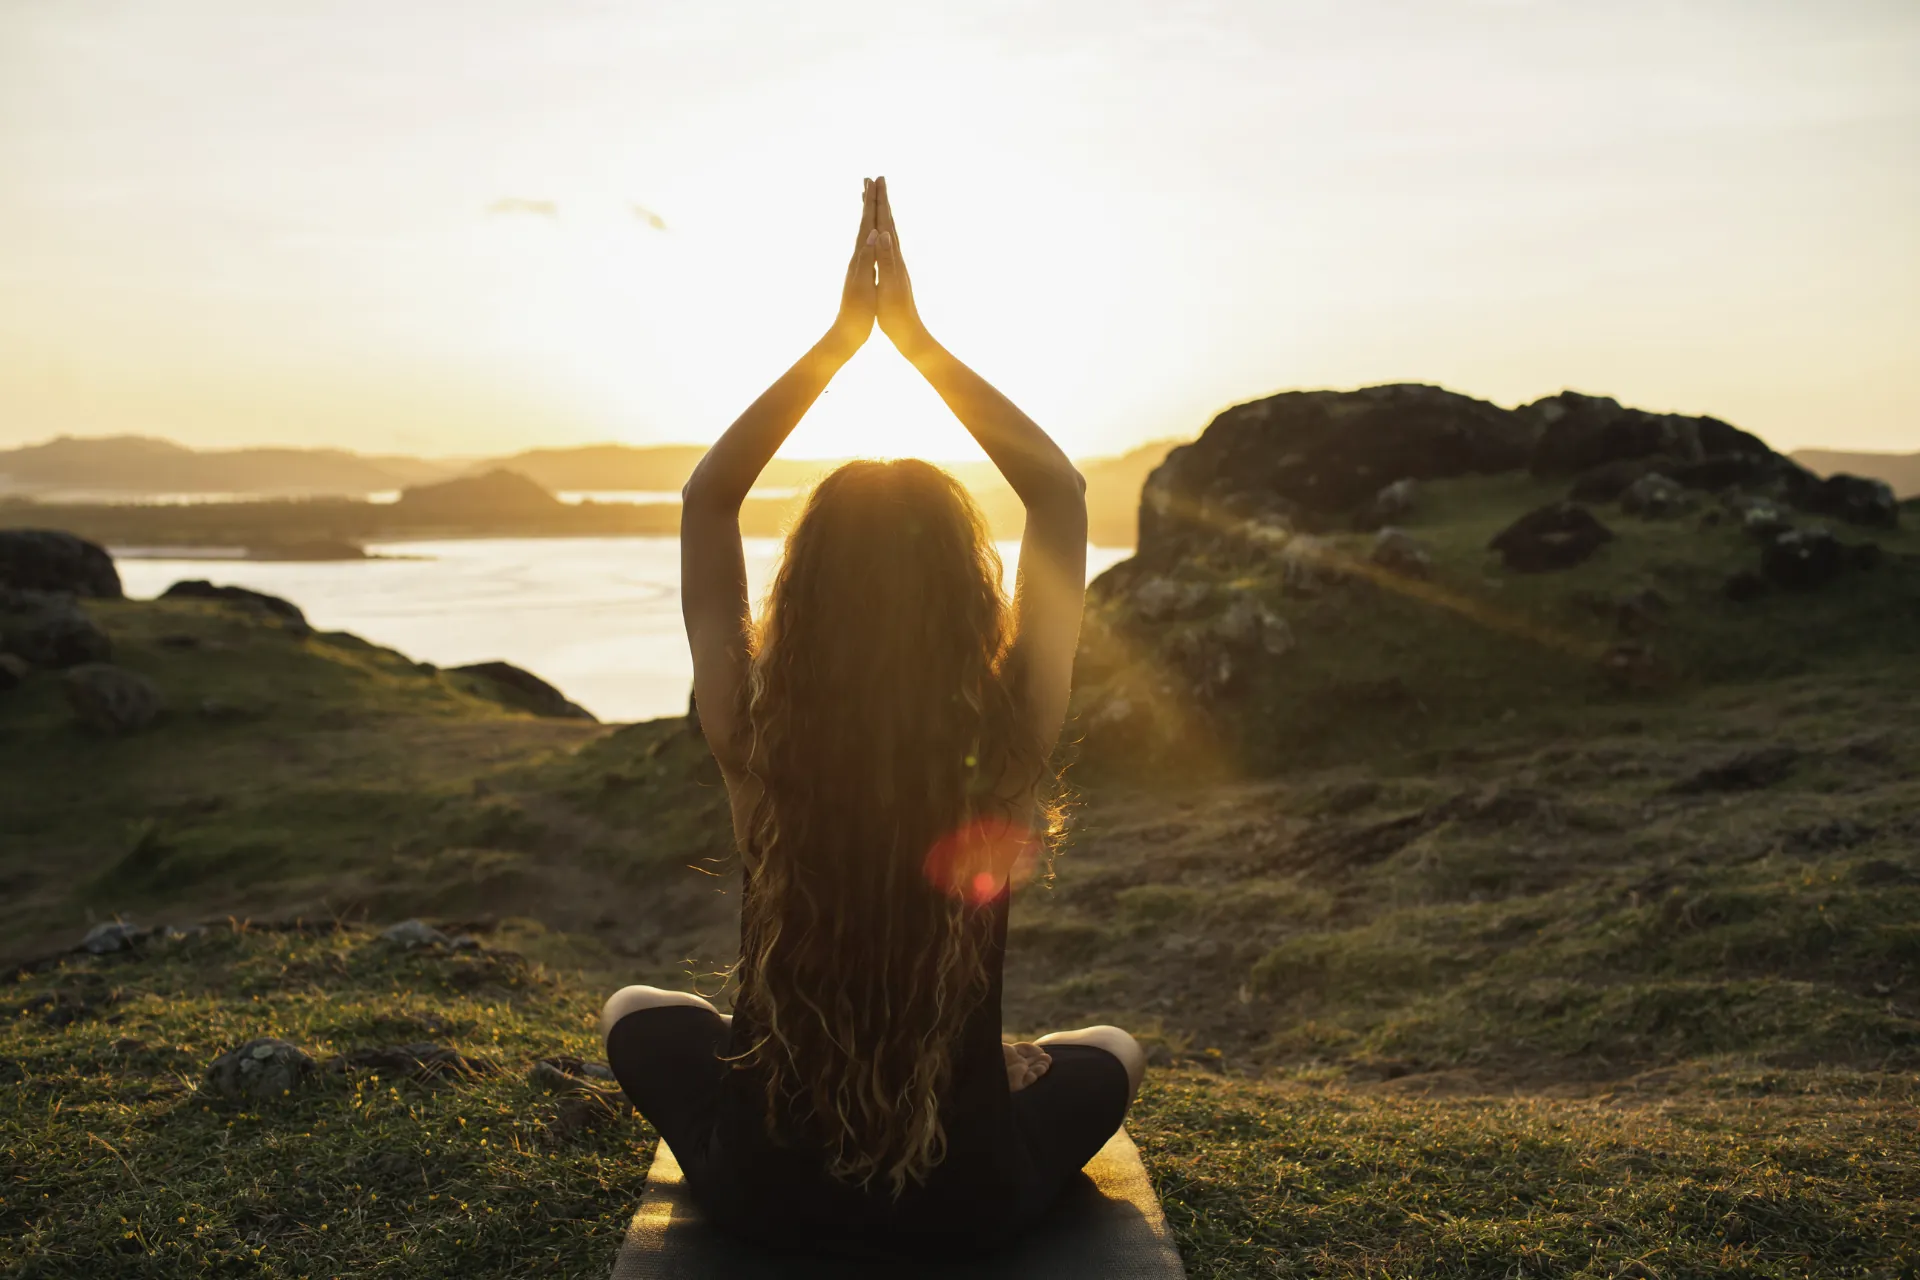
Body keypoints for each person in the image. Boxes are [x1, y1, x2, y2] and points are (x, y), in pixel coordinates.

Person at [599, 176, 1145, 1258]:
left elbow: (708, 498)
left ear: (806, 593)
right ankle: (984, 1071)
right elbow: (1059, 494)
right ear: (964, 595)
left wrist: (841, 342)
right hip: (968, 1193)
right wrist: (918, 343)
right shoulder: (1005, 743)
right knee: (1111, 1046)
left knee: (636, 1007)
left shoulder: (758, 741)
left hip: (768, 1189)